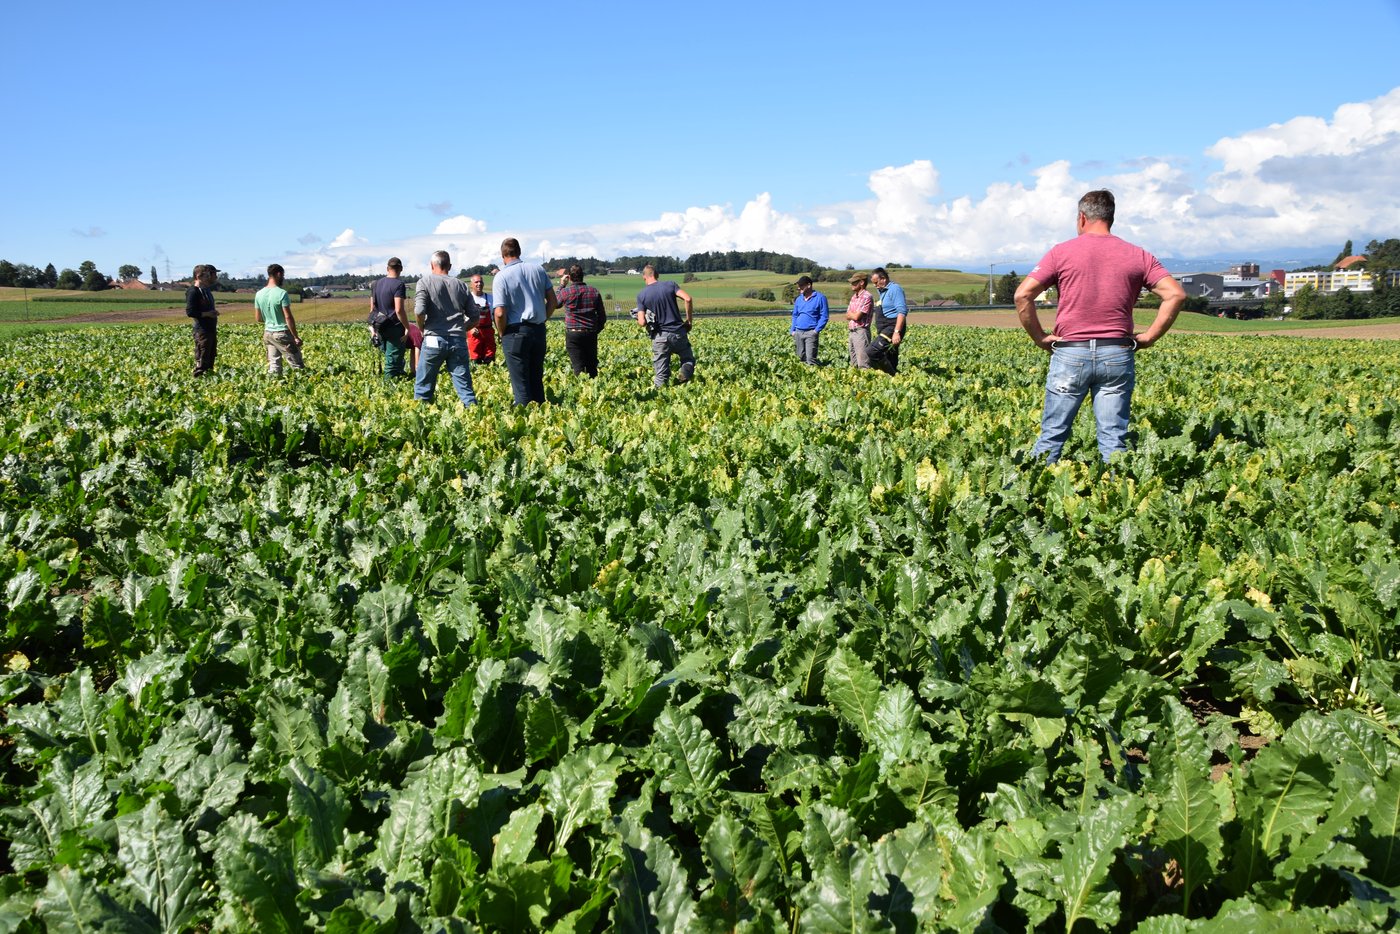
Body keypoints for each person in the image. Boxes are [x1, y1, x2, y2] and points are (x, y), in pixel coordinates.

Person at [1014, 189, 1186, 463]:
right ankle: (1117, 498)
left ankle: (1032, 498)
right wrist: (1150, 337)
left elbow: (1023, 295)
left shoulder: (1061, 253)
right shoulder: (1138, 255)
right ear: (1111, 218)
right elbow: (1175, 294)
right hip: (1117, 353)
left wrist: (1040, 337)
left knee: (1052, 435)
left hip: (1071, 351)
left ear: (1082, 218)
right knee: (1113, 439)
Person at [492, 238, 557, 405]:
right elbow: (552, 301)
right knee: (536, 379)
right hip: (538, 330)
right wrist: (543, 319)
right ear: (519, 252)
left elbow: (499, 313)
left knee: (521, 385)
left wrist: (501, 333)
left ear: (503, 255)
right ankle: (543, 418)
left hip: (515, 332)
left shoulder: (501, 277)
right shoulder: (538, 270)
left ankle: (527, 423)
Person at [413, 250, 477, 406]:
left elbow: (419, 311)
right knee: (464, 387)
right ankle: (476, 416)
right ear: (449, 266)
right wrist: (462, 328)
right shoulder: (461, 285)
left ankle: (420, 421)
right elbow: (475, 316)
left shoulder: (424, 282)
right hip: (458, 340)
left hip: (433, 338)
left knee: (423, 388)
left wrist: (422, 328)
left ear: (431, 265)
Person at [635, 264, 695, 387]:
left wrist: (640, 317)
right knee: (688, 359)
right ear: (657, 275)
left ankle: (659, 398)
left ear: (644, 277)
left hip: (659, 337)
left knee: (661, 374)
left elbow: (642, 323)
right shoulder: (670, 285)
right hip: (678, 333)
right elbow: (688, 299)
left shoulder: (642, 295)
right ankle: (684, 375)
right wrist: (688, 321)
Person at [253, 263, 304, 376]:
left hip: (268, 334)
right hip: (282, 333)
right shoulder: (282, 293)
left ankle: (274, 387)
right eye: (283, 276)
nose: (283, 278)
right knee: (297, 365)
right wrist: (295, 336)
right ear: (278, 274)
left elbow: (258, 318)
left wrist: (270, 319)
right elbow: (288, 317)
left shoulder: (259, 294)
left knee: (274, 366)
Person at [557, 264, 607, 377]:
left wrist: (561, 286)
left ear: (569, 277)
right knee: (592, 368)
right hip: (590, 333)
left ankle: (582, 390)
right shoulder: (593, 291)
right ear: (583, 276)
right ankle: (594, 390)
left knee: (578, 368)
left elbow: (555, 303)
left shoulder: (566, 292)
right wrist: (595, 330)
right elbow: (602, 317)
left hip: (573, 334)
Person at [369, 257, 411, 378]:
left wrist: (373, 328)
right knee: (392, 362)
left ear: (387, 268)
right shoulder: (399, 285)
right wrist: (407, 327)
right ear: (401, 269)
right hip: (394, 326)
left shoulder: (376, 284)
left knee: (389, 356)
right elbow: (399, 310)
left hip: (379, 325)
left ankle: (399, 376)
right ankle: (389, 388)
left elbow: (372, 309)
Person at [869, 267, 908, 373]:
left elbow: (902, 312)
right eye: (873, 283)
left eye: (876, 282)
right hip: (885, 327)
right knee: (890, 355)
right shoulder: (882, 290)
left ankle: (891, 374)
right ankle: (893, 379)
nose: (875, 285)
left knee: (872, 351)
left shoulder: (895, 289)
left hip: (893, 326)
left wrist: (896, 332)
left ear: (883, 279)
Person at [185, 264, 220, 376]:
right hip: (202, 330)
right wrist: (207, 314)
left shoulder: (205, 291)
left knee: (210, 359)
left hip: (209, 330)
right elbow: (190, 312)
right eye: (207, 275)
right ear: (199, 276)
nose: (209, 277)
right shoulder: (193, 291)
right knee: (202, 359)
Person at [790, 275, 829, 365]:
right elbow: (795, 315)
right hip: (798, 332)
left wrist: (816, 331)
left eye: (801, 285)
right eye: (798, 285)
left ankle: (814, 375)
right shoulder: (799, 299)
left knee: (811, 359)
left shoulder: (820, 298)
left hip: (811, 332)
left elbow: (824, 316)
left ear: (809, 285)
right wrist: (792, 330)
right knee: (800, 357)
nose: (799, 287)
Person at [845, 272, 873, 368]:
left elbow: (857, 317)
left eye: (854, 282)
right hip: (852, 332)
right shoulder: (854, 297)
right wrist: (853, 314)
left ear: (861, 282)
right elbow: (847, 315)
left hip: (861, 331)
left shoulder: (867, 296)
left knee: (863, 363)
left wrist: (853, 314)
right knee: (854, 363)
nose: (851, 285)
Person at [466, 273, 495, 365]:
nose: (479, 284)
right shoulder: (467, 298)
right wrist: (469, 328)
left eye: (481, 281)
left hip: (488, 333)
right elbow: (461, 315)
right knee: (475, 361)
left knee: (490, 359)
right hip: (474, 334)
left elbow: (495, 315)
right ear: (471, 284)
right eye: (476, 282)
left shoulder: (490, 298)